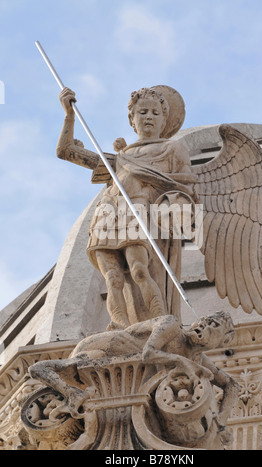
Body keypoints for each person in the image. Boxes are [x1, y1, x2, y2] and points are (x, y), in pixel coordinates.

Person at [56, 86, 198, 329]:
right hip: (107, 213)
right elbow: (66, 151)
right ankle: (119, 326)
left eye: (155, 112)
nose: (149, 117)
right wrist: (69, 115)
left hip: (139, 213)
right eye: (142, 112)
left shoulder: (171, 149)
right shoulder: (120, 159)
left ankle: (160, 322)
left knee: (140, 271)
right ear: (132, 119)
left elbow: (186, 190)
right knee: (112, 278)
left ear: (165, 119)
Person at [28, 311, 239, 429]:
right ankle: (70, 392)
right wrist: (181, 361)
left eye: (212, 324)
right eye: (202, 320)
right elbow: (148, 354)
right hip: (102, 350)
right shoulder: (171, 326)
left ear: (223, 340)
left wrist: (221, 420)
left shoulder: (197, 358)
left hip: (124, 375)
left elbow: (230, 383)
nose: (202, 324)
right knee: (42, 369)